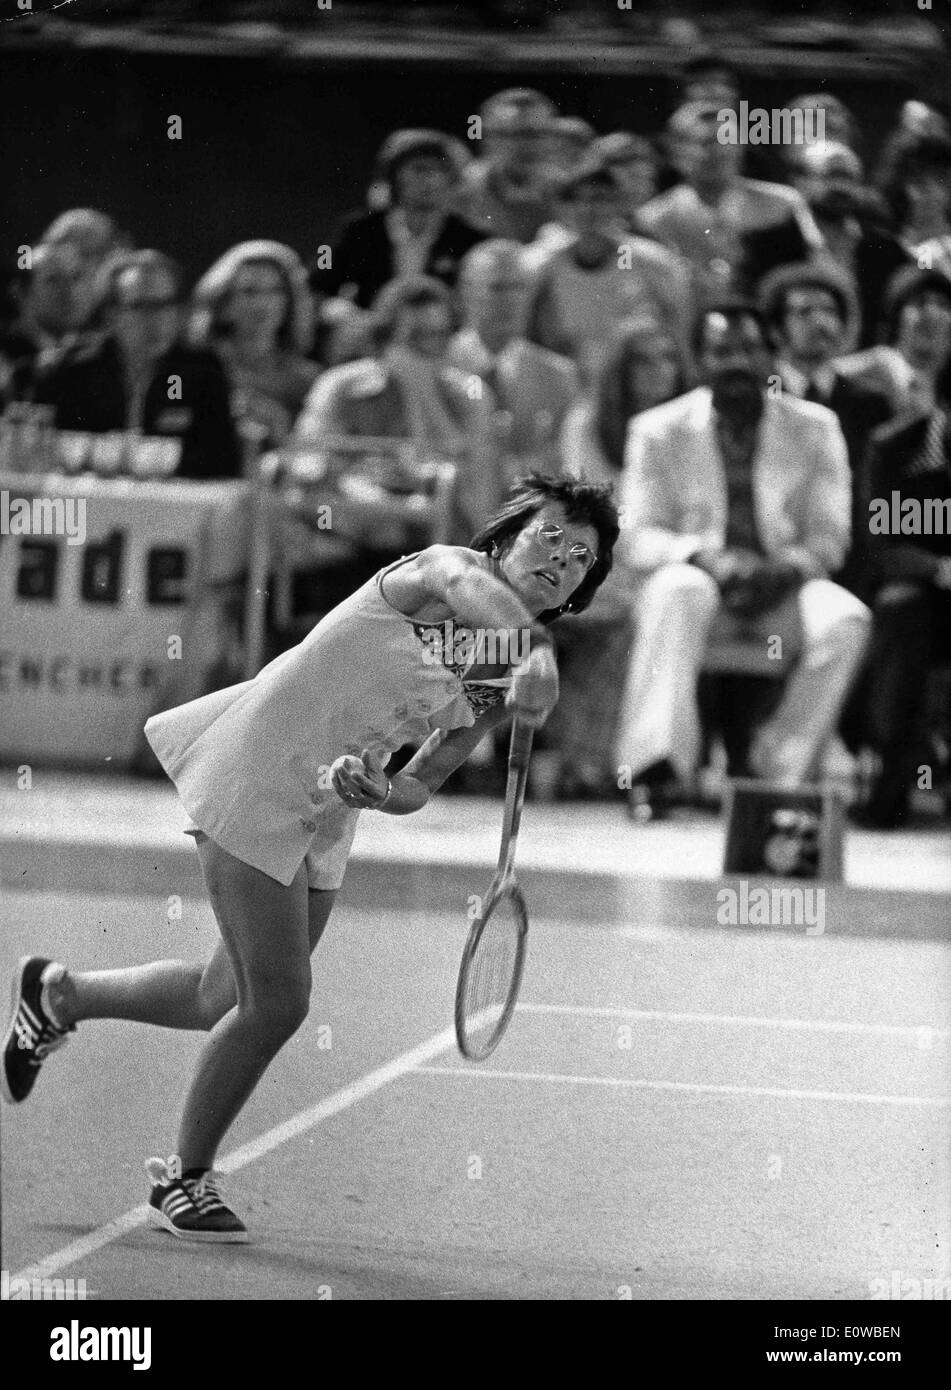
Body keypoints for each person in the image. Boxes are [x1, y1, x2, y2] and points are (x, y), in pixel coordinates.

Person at [2, 474, 620, 1242]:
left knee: (217, 996)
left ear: (578, 591)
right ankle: (183, 1180)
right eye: (551, 535)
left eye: (581, 558)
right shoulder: (437, 572)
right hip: (259, 768)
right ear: (503, 538)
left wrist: (376, 788)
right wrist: (534, 647)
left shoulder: (497, 680)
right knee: (279, 1002)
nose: (562, 557)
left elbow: (420, 783)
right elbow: (466, 584)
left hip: (329, 808)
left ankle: (58, 994)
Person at [614, 301, 870, 817]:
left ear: (770, 356)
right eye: (722, 351)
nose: (737, 362)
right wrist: (705, 557)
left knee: (846, 619)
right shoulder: (658, 430)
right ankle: (657, 770)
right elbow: (636, 534)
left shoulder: (815, 426)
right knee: (678, 587)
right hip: (699, 588)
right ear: (700, 360)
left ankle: (775, 774)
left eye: (749, 349)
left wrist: (785, 568)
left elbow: (830, 536)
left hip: (783, 584)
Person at [33, 250, 242, 481]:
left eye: (166, 304)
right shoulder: (73, 369)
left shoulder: (202, 370)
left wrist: (142, 457)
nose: (158, 319)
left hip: (171, 506)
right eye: (142, 306)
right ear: (112, 315)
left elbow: (223, 459)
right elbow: (44, 449)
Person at [761, 261, 892, 601]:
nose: (822, 323)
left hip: (854, 560)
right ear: (776, 330)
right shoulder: (758, 397)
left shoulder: (871, 403)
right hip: (773, 559)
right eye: (804, 312)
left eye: (830, 311)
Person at [857, 401, 951, 828]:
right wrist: (940, 569)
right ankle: (893, 777)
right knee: (899, 610)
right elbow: (882, 548)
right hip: (918, 588)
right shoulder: (893, 445)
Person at [526, 159, 692, 388]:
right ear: (562, 208)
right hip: (567, 385)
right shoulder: (542, 264)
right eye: (576, 199)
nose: (588, 209)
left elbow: (680, 333)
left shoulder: (654, 263)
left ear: (619, 205)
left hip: (637, 385)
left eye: (600, 199)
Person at [637, 101, 823, 300]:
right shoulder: (654, 220)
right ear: (677, 155)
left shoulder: (783, 204)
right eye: (708, 142)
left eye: (729, 139)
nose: (721, 151)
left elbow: (814, 270)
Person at [448, 239, 580, 480]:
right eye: (497, 287)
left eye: (519, 287)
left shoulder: (559, 375)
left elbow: (568, 465)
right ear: (465, 292)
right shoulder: (441, 364)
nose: (510, 299)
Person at [310, 129, 484, 310]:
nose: (431, 179)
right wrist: (340, 312)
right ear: (394, 175)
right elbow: (316, 287)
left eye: (441, 170)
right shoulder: (358, 230)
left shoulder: (472, 239)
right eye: (420, 168)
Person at [188, 241, 319, 451]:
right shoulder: (190, 369)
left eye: (275, 291)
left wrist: (281, 429)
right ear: (222, 303)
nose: (262, 304)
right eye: (249, 292)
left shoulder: (307, 380)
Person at [560, 316, 688, 482]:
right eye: (643, 361)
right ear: (621, 368)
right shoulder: (587, 423)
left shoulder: (691, 421)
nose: (660, 369)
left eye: (668, 357)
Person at [836, 265, 951, 419]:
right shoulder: (861, 382)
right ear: (896, 320)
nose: (931, 314)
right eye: (919, 302)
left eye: (943, 304)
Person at [453, 88, 562, 244]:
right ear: (487, 138)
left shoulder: (568, 189)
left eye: (537, 134)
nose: (527, 144)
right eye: (515, 134)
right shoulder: (462, 189)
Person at [0, 243, 87, 405]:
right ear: (19, 292)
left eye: (72, 279)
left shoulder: (84, 356)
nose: (67, 291)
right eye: (53, 280)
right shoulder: (5, 354)